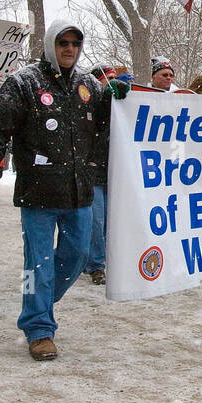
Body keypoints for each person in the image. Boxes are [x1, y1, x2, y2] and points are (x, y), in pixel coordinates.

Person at [0, 19, 110, 362]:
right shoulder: (23, 83)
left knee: (77, 257)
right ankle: (39, 329)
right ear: (51, 44)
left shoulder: (91, 85)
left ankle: (41, 304)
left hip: (80, 191)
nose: (69, 49)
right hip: (39, 191)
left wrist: (122, 99)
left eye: (75, 43)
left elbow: (111, 127)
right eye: (63, 42)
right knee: (38, 264)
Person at [83, 64, 118, 287]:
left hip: (114, 173)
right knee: (96, 221)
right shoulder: (88, 104)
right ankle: (96, 265)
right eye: (108, 78)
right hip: (93, 171)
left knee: (109, 222)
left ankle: (100, 259)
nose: (112, 82)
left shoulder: (120, 104)